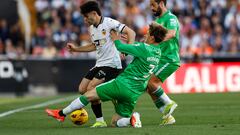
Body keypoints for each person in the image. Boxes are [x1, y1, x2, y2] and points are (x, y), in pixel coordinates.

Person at [46, 22, 168, 128]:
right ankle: (131, 119)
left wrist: (115, 38)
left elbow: (121, 47)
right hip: (135, 92)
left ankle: (61, 114)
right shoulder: (158, 52)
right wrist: (129, 43)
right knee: (116, 122)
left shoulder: (143, 48)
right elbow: (139, 48)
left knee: (88, 94)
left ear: (152, 37)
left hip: (123, 84)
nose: (145, 35)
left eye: (147, 34)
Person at [66, 1, 136, 128]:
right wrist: (76, 49)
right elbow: (94, 46)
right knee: (82, 89)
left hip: (112, 65)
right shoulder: (92, 28)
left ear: (94, 13)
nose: (85, 19)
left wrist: (127, 49)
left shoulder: (109, 23)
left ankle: (100, 121)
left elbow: (131, 32)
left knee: (91, 88)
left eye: (86, 16)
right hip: (99, 64)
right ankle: (115, 96)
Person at [147, 0, 181, 125]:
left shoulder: (171, 18)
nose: (151, 8)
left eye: (153, 5)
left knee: (151, 82)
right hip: (159, 60)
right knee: (149, 86)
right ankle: (167, 117)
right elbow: (148, 41)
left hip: (170, 58)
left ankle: (169, 103)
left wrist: (157, 41)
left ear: (161, 3)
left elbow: (171, 34)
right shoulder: (156, 23)